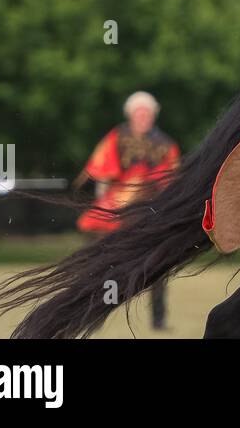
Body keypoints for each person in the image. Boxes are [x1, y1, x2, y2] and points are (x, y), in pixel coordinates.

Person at [75, 90, 180, 328]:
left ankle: (159, 319)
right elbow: (102, 171)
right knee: (99, 263)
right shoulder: (116, 137)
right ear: (131, 115)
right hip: (117, 209)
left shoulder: (165, 145)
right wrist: (104, 203)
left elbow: (171, 180)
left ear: (153, 116)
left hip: (149, 210)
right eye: (139, 113)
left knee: (158, 265)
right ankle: (92, 311)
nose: (143, 117)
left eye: (147, 113)